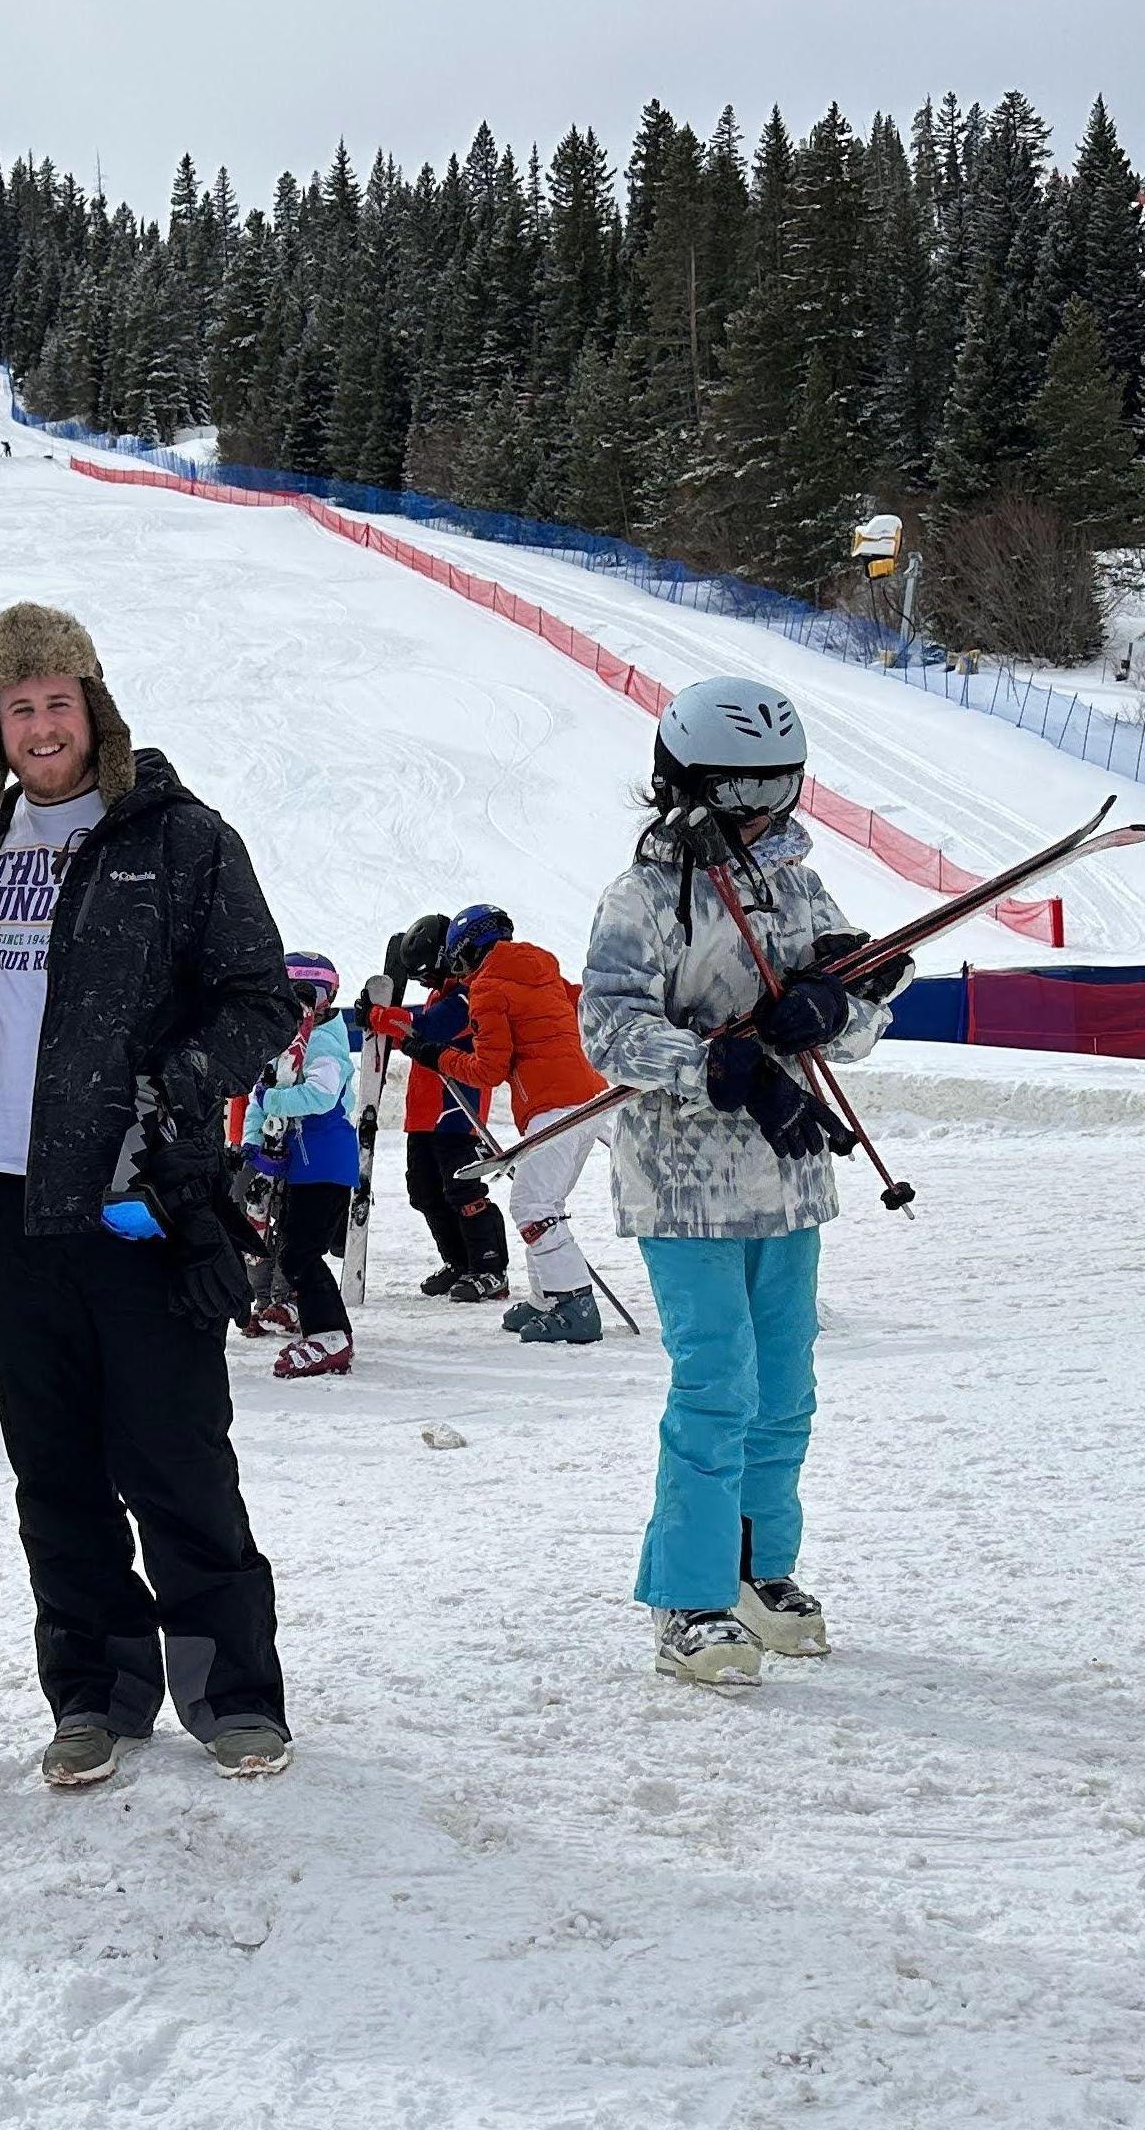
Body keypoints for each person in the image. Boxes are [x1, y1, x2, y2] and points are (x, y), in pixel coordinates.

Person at [0, 601, 298, 1790]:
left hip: (137, 1201)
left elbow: (261, 992)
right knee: (53, 1473)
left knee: (174, 1460)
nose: (41, 724)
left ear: (93, 705)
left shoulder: (177, 836)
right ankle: (94, 1694)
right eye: (18, 704)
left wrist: (176, 1082)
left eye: (58, 699)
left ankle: (233, 1692)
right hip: (4, 1206)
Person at [581, 676, 901, 1687]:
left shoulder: (798, 887)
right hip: (681, 1186)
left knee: (785, 1388)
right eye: (740, 788)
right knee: (714, 1384)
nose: (764, 808)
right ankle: (690, 1594)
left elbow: (860, 1021)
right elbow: (606, 1027)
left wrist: (831, 1011)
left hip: (786, 1174)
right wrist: (703, 1061)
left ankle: (762, 1572)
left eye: (779, 785)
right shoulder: (637, 898)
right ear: (682, 784)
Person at [415, 904, 610, 1344]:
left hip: (552, 1104)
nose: (460, 970)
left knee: (533, 1207)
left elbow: (488, 1070)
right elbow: (579, 1000)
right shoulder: (541, 967)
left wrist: (435, 1054)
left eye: (461, 959)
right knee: (543, 1199)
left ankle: (574, 1305)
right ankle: (548, 1299)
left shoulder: (487, 988)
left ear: (471, 951)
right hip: (588, 1096)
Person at [367, 916, 512, 1304]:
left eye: (427, 973)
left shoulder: (469, 995)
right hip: (424, 1114)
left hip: (456, 1113)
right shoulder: (441, 996)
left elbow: (427, 1029)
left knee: (463, 1190)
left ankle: (489, 1267)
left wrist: (382, 1016)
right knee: (425, 1192)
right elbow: (413, 1036)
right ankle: (460, 1261)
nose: (424, 983)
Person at [243, 951, 360, 1378]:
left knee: (300, 1253)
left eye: (312, 993)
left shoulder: (326, 1040)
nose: (302, 1001)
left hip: (326, 1158)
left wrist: (269, 1100)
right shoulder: (284, 1038)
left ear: (329, 998)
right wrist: (252, 1142)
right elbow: (263, 1088)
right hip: (299, 1161)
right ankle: (303, 1314)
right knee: (287, 1244)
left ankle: (331, 1333)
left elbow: (320, 1096)